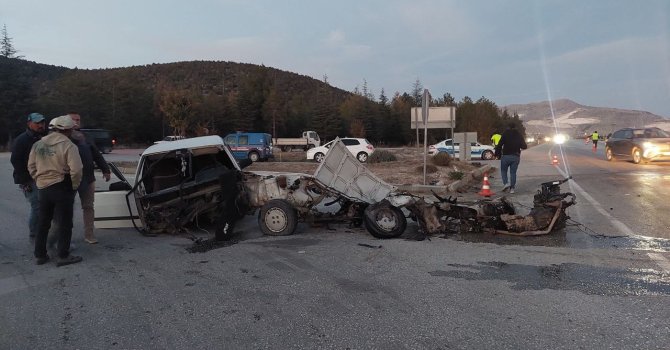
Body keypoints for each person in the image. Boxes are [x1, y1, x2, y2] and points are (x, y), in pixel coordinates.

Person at [29, 115, 84, 266]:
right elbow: (77, 170)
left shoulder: (39, 144)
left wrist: (39, 180)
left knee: (43, 222)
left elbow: (31, 166)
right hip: (61, 186)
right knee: (64, 222)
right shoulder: (68, 145)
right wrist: (73, 185)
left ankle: (40, 255)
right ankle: (62, 255)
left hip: (43, 188)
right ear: (67, 130)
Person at [68, 113, 111, 244]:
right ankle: (65, 237)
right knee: (66, 208)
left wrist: (105, 169)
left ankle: (89, 234)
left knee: (88, 206)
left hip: (88, 178)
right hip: (69, 179)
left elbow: (96, 154)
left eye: (78, 120)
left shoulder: (86, 136)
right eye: (73, 120)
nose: (76, 122)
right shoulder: (63, 137)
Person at [10, 113, 47, 242]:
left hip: (43, 177)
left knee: (44, 205)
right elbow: (15, 160)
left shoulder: (44, 138)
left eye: (42, 122)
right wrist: (25, 180)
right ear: (29, 123)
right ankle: (34, 233)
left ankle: (42, 231)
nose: (40, 125)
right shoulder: (21, 140)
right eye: (37, 123)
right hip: (29, 179)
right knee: (37, 206)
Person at [494, 123, 527, 194]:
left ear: (508, 127)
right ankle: (512, 189)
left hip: (506, 156)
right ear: (515, 127)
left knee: (503, 171)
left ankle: (506, 183)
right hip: (516, 157)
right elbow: (524, 146)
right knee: (513, 173)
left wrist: (497, 154)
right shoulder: (518, 134)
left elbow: (500, 145)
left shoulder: (505, 134)